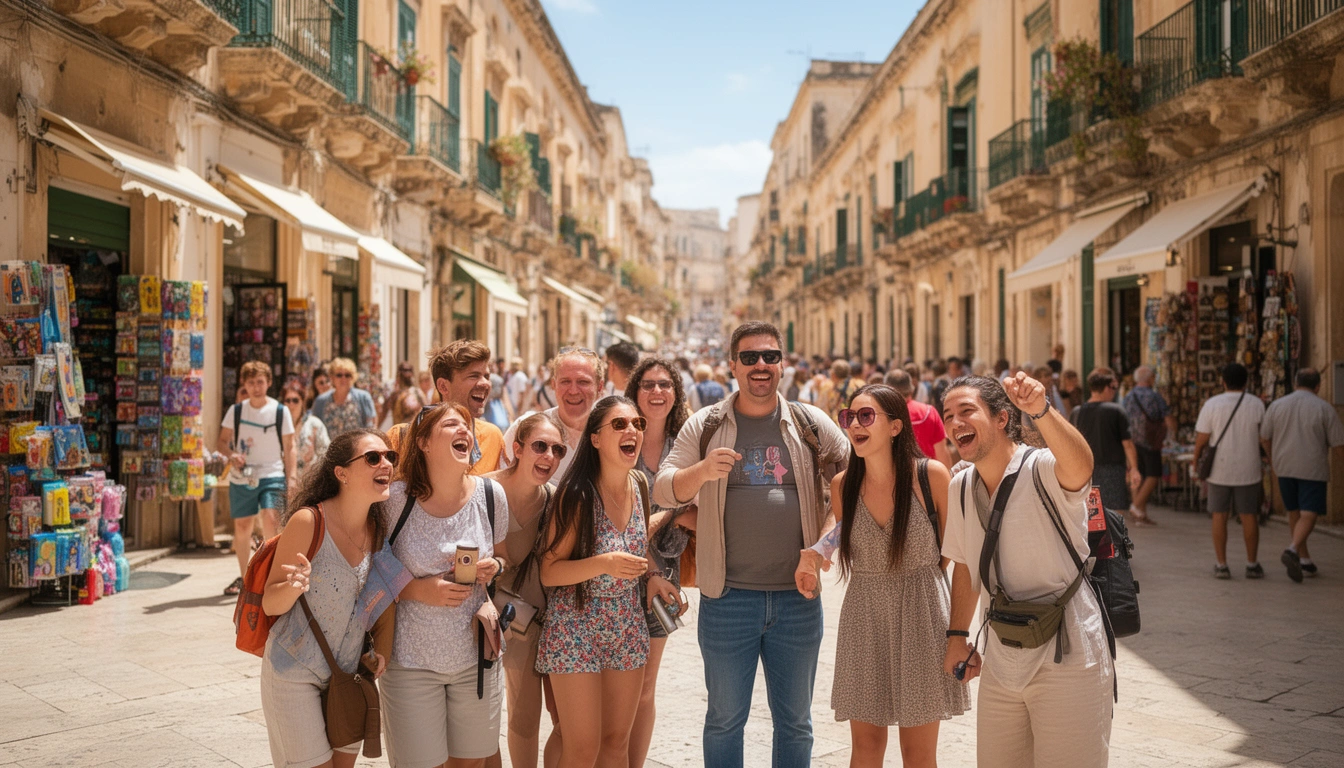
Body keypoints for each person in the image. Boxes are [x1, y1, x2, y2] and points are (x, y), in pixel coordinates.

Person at [653, 322, 849, 768]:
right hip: (727, 599)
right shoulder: (706, 425)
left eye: (770, 357)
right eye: (749, 357)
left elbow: (852, 483)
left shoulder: (809, 422)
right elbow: (663, 489)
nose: (760, 366)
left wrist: (824, 545)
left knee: (796, 723)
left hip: (797, 599)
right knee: (724, 721)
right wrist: (701, 471)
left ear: (783, 363)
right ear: (732, 366)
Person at [940, 374, 1113, 767]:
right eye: (948, 415)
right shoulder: (961, 485)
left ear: (1002, 418)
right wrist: (955, 636)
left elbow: (1081, 467)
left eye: (967, 411)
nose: (954, 423)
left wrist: (1041, 411)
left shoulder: (1043, 469)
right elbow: (965, 566)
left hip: (1068, 655)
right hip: (1002, 655)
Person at [795, 385, 966, 767]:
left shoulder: (931, 476)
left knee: (918, 755)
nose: (854, 423)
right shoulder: (843, 485)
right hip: (864, 615)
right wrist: (814, 556)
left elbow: (955, 553)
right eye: (849, 417)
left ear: (895, 427)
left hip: (922, 614)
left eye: (866, 416)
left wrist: (952, 623)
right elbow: (841, 530)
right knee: (866, 749)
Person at [533, 396, 682, 767]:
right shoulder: (578, 494)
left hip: (627, 626)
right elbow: (550, 570)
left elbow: (634, 544)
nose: (631, 430)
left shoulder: (638, 486)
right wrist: (604, 564)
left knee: (616, 743)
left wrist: (652, 576)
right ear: (595, 438)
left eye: (637, 424)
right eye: (619, 424)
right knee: (581, 747)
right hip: (575, 627)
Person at [380, 403, 509, 768]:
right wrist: (417, 590)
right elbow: (370, 567)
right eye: (452, 425)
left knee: (470, 763)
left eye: (466, 426)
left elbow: (505, 558)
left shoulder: (490, 495)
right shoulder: (395, 501)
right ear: (422, 442)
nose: (464, 432)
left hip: (476, 658)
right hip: (410, 661)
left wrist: (493, 567)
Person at [258, 429, 393, 768]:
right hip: (293, 672)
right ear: (341, 473)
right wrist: (293, 585)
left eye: (391, 457)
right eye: (373, 457)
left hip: (347, 676)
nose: (386, 464)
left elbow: (389, 596)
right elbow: (270, 603)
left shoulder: (378, 529)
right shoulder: (308, 521)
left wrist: (384, 652)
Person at [624, 357, 696, 767]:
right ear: (635, 391)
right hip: (618, 570)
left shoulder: (685, 446)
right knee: (617, 683)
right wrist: (674, 508)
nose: (656, 392)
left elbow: (703, 514)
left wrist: (664, 513)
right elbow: (614, 513)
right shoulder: (620, 434)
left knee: (646, 686)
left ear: (676, 393)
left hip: (665, 573)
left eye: (665, 385)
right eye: (648, 384)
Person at [486, 412, 568, 768]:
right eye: (540, 446)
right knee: (489, 717)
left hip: (540, 622)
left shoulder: (556, 501)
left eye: (557, 450)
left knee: (546, 716)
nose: (548, 456)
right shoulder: (483, 492)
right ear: (517, 448)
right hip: (486, 618)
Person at [219, 361, 296, 596]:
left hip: (272, 473)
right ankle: (246, 578)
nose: (256, 387)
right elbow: (222, 442)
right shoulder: (237, 411)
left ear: (269, 383)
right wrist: (232, 455)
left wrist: (291, 476)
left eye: (260, 382)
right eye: (251, 383)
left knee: (271, 518)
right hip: (243, 475)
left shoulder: (280, 411)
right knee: (242, 526)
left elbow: (290, 445)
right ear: (245, 384)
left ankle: (270, 574)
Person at [1262, 368, 1344, 582]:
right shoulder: (1324, 408)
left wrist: (1272, 457)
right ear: (1317, 386)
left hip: (1284, 467)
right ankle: (1291, 550)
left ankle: (1304, 559)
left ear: (1296, 382)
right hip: (1312, 468)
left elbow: (1264, 436)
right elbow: (1338, 444)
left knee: (1294, 512)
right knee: (1309, 514)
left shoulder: (1277, 405)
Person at [1194, 363, 1268, 579]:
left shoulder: (1212, 404)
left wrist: (1196, 460)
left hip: (1219, 470)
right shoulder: (1256, 404)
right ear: (1246, 382)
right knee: (1249, 516)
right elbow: (1264, 438)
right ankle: (1252, 564)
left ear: (1223, 381)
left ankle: (1222, 564)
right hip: (1249, 469)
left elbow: (1202, 438)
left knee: (1219, 515)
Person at [502, 348, 605, 478]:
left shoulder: (612, 432)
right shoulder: (524, 428)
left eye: (583, 382)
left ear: (599, 387)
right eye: (565, 382)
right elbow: (500, 482)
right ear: (553, 385)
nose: (573, 391)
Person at [1069, 367, 1141, 517]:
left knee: (1089, 518)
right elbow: (1127, 444)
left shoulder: (1077, 412)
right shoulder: (1116, 411)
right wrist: (1134, 468)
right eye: (1114, 387)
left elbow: (1071, 445)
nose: (1114, 391)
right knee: (1114, 518)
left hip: (1085, 472)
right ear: (1108, 387)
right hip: (1113, 471)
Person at [1122, 365, 1174, 525]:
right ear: (1149, 378)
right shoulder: (1154, 396)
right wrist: (1172, 436)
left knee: (1138, 474)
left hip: (1131, 441)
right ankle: (1136, 506)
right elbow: (1168, 418)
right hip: (1150, 442)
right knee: (1153, 475)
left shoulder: (1128, 396)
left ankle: (1140, 515)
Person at [885, 369, 953, 468]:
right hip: (927, 476)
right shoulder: (929, 412)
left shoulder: (882, 415)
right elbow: (942, 452)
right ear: (911, 388)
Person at [310, 358, 377, 439]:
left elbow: (371, 427)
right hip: (329, 450)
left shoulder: (363, 398)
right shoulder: (320, 401)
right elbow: (315, 428)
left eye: (347, 375)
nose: (343, 378)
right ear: (332, 377)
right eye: (339, 375)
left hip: (357, 449)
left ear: (353, 377)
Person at [283, 382, 330, 478]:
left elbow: (325, 453)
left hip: (310, 481)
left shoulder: (314, 424)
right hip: (285, 482)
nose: (291, 404)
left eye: (295, 400)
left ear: (302, 401)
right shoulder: (280, 425)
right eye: (288, 400)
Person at [379, 361, 429, 428]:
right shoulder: (394, 395)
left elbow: (427, 413)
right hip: (400, 433)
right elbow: (383, 414)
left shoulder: (417, 392)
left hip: (415, 432)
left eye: (409, 371)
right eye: (404, 371)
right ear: (399, 374)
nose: (407, 374)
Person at [485, 359, 512, 432]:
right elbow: (505, 398)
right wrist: (510, 414)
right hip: (496, 404)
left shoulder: (490, 378)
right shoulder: (499, 379)